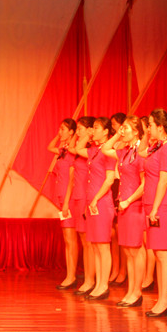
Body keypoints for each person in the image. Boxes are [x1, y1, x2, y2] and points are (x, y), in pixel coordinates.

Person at [102, 115, 146, 307]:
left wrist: (129, 201)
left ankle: (137, 292)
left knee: (136, 250)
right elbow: (105, 149)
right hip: (124, 204)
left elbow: (144, 184)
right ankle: (130, 291)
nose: (122, 131)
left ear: (136, 132)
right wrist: (117, 135)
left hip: (134, 205)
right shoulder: (125, 151)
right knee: (127, 250)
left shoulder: (141, 152)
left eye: (126, 128)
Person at [141, 109, 167, 317]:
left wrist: (155, 208)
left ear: (160, 127)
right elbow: (140, 153)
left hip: (162, 207)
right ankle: (161, 299)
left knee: (164, 254)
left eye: (150, 125)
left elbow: (164, 180)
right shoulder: (155, 147)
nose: (148, 129)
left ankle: (165, 302)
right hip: (152, 205)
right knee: (157, 253)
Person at [75, 117, 116, 300]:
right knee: (96, 246)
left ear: (106, 131)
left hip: (102, 203)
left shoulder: (108, 151)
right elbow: (78, 148)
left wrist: (96, 198)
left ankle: (103, 285)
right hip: (91, 203)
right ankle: (99, 283)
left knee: (103, 245)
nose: (94, 130)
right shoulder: (93, 150)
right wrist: (88, 135)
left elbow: (109, 179)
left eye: (97, 128)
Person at [47, 119, 78, 289]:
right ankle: (69, 274)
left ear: (72, 132)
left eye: (63, 129)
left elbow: (72, 179)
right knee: (67, 238)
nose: (60, 132)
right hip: (62, 197)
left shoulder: (73, 151)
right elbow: (50, 147)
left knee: (70, 238)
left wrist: (66, 203)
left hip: (69, 198)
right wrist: (59, 136)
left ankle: (71, 276)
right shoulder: (63, 150)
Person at [69, 116, 96, 296]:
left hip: (87, 198)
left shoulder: (91, 150)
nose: (77, 133)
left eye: (80, 129)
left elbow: (77, 147)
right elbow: (73, 147)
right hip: (78, 198)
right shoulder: (81, 150)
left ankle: (90, 280)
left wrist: (88, 135)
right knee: (83, 241)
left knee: (89, 242)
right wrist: (80, 135)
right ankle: (88, 278)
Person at [108, 112, 128, 286]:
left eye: (115, 124)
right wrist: (116, 136)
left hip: (124, 184)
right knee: (113, 233)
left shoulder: (129, 144)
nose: (112, 127)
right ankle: (115, 268)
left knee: (122, 232)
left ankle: (123, 270)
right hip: (114, 184)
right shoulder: (115, 142)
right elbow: (105, 149)